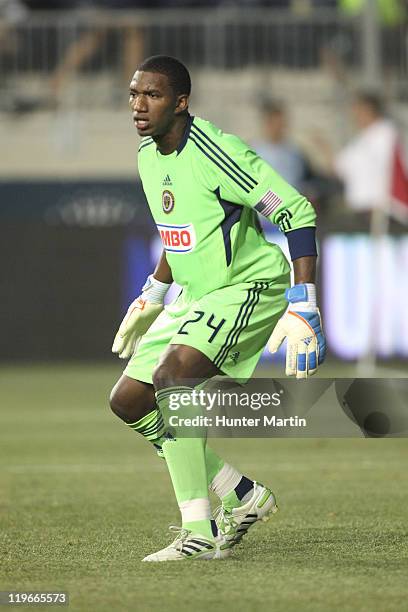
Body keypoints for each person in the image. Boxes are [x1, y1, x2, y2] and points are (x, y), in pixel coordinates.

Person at [110, 55, 326, 562]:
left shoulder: (215, 151)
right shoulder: (147, 155)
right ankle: (241, 492)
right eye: (134, 93)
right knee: (129, 401)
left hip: (247, 286)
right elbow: (180, 232)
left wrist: (305, 301)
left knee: (173, 379)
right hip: (194, 295)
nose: (139, 105)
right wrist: (154, 290)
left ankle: (198, 532)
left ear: (181, 102)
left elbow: (295, 211)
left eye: (153, 95)